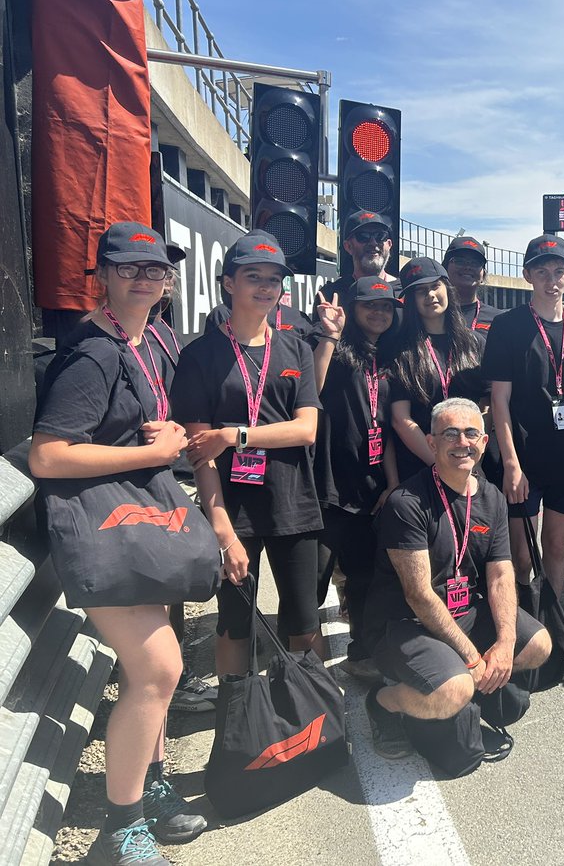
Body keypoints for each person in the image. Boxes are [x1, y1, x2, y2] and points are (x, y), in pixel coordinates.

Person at [31, 222, 208, 864]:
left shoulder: (151, 337)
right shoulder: (93, 355)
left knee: (153, 673)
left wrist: (166, 437)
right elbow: (48, 455)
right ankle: (120, 827)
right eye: (128, 268)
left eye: (155, 269)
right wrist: (152, 452)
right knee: (158, 669)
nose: (143, 278)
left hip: (138, 522)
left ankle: (150, 785)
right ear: (102, 275)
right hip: (103, 525)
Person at [172, 230, 328, 678]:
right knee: (235, 625)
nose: (265, 287)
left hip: (293, 503)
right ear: (229, 283)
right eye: (253, 276)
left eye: (273, 279)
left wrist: (233, 436)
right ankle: (235, 712)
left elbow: (306, 429)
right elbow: (201, 454)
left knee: (304, 623)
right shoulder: (200, 356)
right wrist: (223, 533)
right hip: (233, 509)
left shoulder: (296, 348)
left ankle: (311, 711)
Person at [362, 399, 552, 766]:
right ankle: (383, 702)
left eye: (471, 433)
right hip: (405, 623)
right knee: (455, 688)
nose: (462, 442)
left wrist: (504, 643)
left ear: (483, 442)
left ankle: (464, 685)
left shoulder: (491, 497)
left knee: (538, 645)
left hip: (463, 610)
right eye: (450, 434)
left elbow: (500, 575)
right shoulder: (407, 503)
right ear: (431, 443)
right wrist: (471, 658)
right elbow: (418, 595)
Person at [482, 234, 564, 597]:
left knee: (555, 547)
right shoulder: (507, 326)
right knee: (521, 555)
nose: (552, 281)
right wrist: (511, 465)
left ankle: (552, 623)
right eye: (542, 272)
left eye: (558, 272)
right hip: (524, 460)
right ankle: (520, 620)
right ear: (527, 275)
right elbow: (499, 399)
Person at [310, 276, 403, 682]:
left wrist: (392, 484)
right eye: (369, 305)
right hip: (328, 487)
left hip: (372, 488)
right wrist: (329, 336)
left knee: (364, 580)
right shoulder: (333, 348)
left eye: (385, 306)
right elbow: (310, 390)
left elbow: (390, 429)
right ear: (352, 308)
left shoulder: (391, 357)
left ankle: (361, 654)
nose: (378, 312)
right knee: (311, 585)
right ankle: (302, 670)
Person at [390, 257, 486, 485]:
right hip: (420, 467)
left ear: (447, 289)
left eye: (435, 286)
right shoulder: (399, 349)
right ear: (411, 300)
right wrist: (440, 465)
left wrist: (472, 459)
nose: (430, 295)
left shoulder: (474, 343)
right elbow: (400, 418)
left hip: (469, 465)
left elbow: (486, 405)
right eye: (420, 291)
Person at [316, 210, 398, 321]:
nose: (373, 242)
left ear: (389, 244)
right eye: (363, 236)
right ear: (348, 246)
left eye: (380, 236)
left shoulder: (405, 292)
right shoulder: (330, 295)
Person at [443, 235, 501, 342]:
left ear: (483, 275)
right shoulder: (432, 315)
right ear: (444, 269)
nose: (468, 267)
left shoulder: (499, 320)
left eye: (475, 263)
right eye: (459, 261)